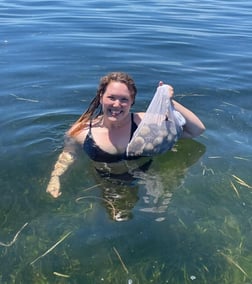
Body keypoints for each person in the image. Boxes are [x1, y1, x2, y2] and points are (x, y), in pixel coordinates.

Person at [46, 72, 205, 198]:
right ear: (101, 97)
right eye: (111, 97)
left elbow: (196, 130)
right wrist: (55, 177)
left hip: (144, 182)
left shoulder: (145, 124)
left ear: (132, 102)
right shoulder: (82, 131)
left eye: (124, 99)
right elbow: (68, 153)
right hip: (102, 182)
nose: (117, 104)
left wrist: (169, 101)